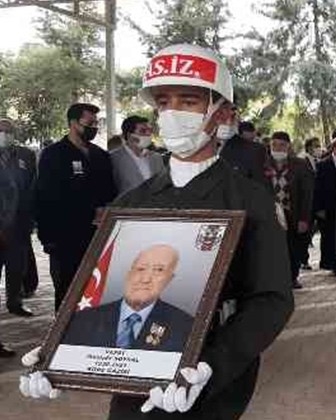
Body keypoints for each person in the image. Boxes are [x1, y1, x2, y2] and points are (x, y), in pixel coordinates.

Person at [20, 43, 294, 420]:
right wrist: (57, 351)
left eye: (189, 101)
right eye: (164, 102)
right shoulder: (130, 204)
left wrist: (212, 366)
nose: (173, 113)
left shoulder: (249, 200)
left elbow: (271, 299)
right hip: (134, 372)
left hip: (208, 378)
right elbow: (100, 293)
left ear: (222, 113)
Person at [35, 103, 117, 311]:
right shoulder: (54, 155)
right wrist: (49, 239)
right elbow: (43, 198)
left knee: (95, 291)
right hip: (65, 239)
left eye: (96, 123)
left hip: (97, 236)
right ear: (73, 123)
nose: (94, 128)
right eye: (89, 123)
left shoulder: (100, 156)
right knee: (66, 294)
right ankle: (61, 340)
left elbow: (110, 192)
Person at [62, 245, 193, 351]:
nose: (145, 279)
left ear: (169, 279)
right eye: (140, 269)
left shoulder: (186, 327)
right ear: (129, 273)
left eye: (158, 270)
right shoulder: (82, 319)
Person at [265, 131, 314, 289]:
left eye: (281, 145)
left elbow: (308, 194)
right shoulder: (262, 164)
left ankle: (293, 277)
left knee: (293, 248)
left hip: (292, 214)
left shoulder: (300, 165)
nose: (277, 148)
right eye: (274, 145)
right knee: (272, 249)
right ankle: (275, 279)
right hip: (269, 215)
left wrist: (304, 219)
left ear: (288, 146)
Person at [0, 118, 36, 318]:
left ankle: (15, 302)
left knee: (16, 268)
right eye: (0, 130)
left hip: (19, 225)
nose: (4, 134)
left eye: (8, 130)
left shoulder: (26, 155)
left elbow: (32, 188)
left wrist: (30, 220)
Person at [314, 136, 336, 276]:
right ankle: (333, 264)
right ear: (334, 149)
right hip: (329, 206)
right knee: (330, 235)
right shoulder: (323, 165)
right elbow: (317, 188)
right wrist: (319, 208)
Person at [111, 116, 165, 194]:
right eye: (143, 131)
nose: (148, 134)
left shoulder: (156, 157)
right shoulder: (114, 158)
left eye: (150, 130)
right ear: (130, 135)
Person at [218, 114, 269, 187]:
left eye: (232, 118)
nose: (228, 122)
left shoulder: (256, 150)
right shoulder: (200, 144)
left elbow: (258, 183)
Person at [298, 137, 321, 270]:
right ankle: (303, 260)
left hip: (316, 202)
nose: (318, 148)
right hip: (307, 202)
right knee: (305, 234)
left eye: (318, 145)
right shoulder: (302, 161)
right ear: (308, 147)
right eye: (315, 146)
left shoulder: (317, 161)